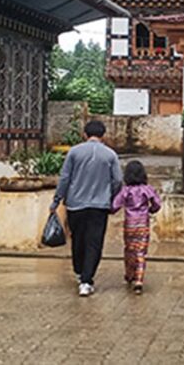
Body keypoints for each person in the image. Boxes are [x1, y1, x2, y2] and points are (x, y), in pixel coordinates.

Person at [50, 120, 122, 297]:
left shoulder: (74, 152)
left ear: (84, 134)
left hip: (75, 205)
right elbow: (118, 181)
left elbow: (65, 178)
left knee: (78, 239)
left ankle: (80, 272)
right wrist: (109, 196)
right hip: (99, 206)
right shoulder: (110, 155)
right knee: (94, 243)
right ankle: (87, 280)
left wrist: (57, 200)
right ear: (103, 135)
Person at [111, 160, 161, 295]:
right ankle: (139, 279)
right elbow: (157, 204)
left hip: (130, 225)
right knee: (141, 252)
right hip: (143, 225)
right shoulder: (147, 189)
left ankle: (129, 274)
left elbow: (114, 206)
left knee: (129, 249)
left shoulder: (126, 191)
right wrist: (151, 210)